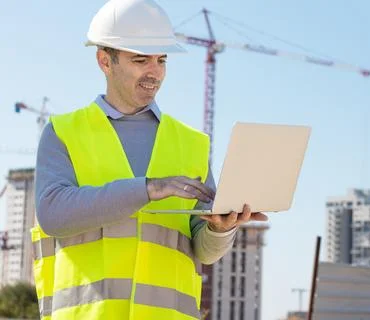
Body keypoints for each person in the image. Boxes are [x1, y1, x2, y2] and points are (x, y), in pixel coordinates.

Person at [30, 0, 267, 319]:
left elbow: (202, 251)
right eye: (140, 59)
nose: (154, 72)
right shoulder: (63, 133)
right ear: (105, 61)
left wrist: (221, 230)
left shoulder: (192, 144)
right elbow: (54, 215)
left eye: (161, 60)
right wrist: (149, 189)